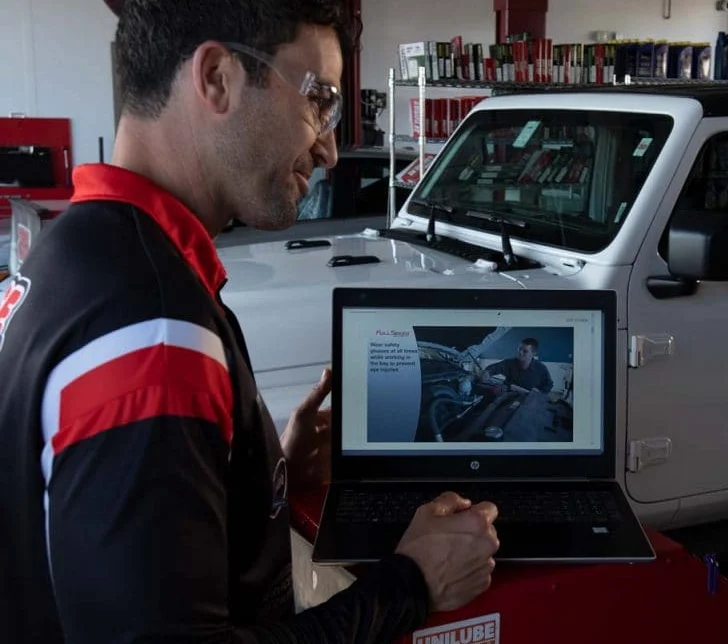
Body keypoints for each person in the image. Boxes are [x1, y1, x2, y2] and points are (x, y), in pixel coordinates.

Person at [0, 1, 499, 642]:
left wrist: (254, 476)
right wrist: (411, 582)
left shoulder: (77, 251)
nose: (329, 150)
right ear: (216, 78)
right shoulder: (152, 334)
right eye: (318, 100)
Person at [479, 338, 554, 394]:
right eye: (519, 349)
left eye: (525, 351)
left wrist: (540, 392)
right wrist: (487, 372)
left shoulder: (541, 368)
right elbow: (495, 367)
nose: (520, 353)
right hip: (508, 398)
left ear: (534, 353)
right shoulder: (510, 363)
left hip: (528, 401)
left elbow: (549, 385)